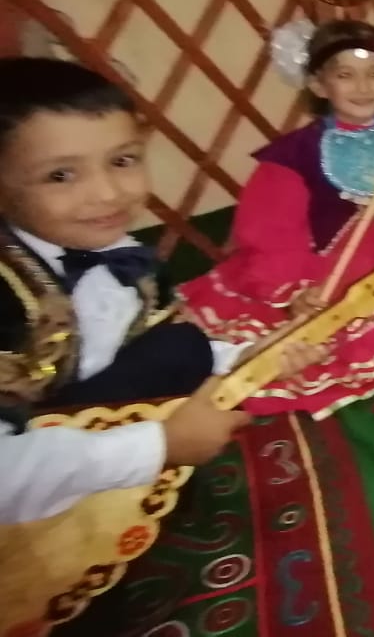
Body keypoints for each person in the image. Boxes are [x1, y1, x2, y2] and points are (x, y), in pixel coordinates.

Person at [0, 57, 322, 528]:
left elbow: (160, 347)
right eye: (61, 175)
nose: (108, 193)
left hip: (108, 432)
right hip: (34, 507)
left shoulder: (129, 258)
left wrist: (248, 356)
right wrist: (158, 446)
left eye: (123, 161)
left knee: (182, 342)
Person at [180, 20, 374, 418]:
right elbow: (269, 238)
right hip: (304, 284)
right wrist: (294, 295)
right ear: (319, 85)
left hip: (371, 285)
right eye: (346, 75)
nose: (363, 87)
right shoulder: (294, 157)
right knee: (277, 363)